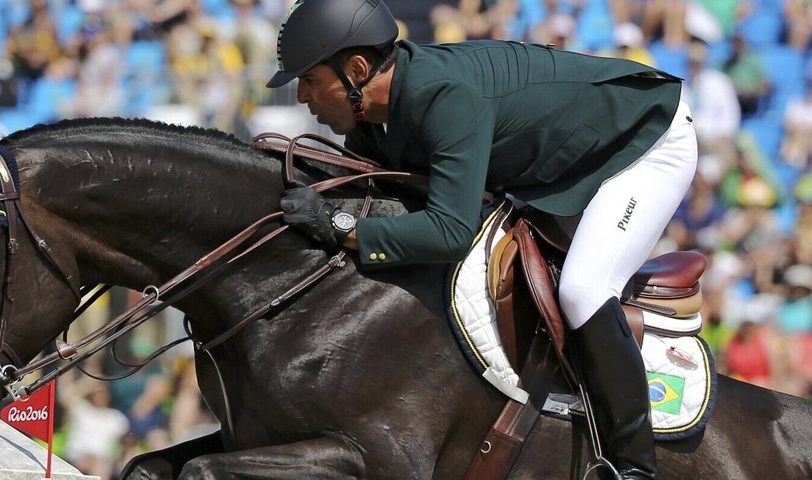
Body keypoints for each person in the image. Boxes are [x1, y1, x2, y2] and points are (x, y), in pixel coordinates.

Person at [268, 1, 698, 478]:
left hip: (645, 143)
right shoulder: (377, 111)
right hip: (562, 162)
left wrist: (339, 225)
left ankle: (635, 468)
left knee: (583, 289)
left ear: (357, 69)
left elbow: (451, 231)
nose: (304, 98)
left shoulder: (444, 96)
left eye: (309, 81)